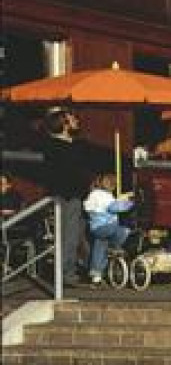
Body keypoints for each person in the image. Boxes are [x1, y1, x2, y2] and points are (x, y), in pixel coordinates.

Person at [37, 109, 93, 282]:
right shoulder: (55, 146)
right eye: (71, 118)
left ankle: (79, 268)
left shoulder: (73, 145)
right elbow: (64, 173)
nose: (76, 120)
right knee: (68, 235)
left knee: (77, 234)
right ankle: (64, 273)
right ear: (63, 123)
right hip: (65, 196)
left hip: (76, 195)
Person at [82, 173, 134, 285]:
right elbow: (114, 207)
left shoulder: (93, 194)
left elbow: (89, 207)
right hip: (106, 226)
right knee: (123, 231)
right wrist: (129, 203)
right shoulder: (105, 196)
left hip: (96, 228)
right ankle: (114, 247)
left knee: (100, 246)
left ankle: (96, 274)